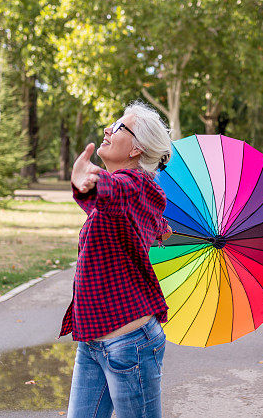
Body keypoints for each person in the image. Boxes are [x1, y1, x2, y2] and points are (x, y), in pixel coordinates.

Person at [62, 101, 173, 418]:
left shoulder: (139, 186)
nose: (108, 129)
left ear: (137, 148)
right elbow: (103, 207)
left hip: (130, 345)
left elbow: (120, 190)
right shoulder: (124, 201)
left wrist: (96, 180)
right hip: (93, 341)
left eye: (120, 127)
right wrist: (85, 186)